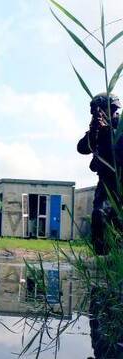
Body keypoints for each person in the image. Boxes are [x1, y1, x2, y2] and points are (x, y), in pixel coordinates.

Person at [77, 93, 122, 255]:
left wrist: (108, 131)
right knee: (99, 216)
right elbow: (82, 148)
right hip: (105, 183)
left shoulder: (119, 126)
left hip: (119, 181)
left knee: (118, 222)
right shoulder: (98, 128)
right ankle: (101, 257)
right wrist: (93, 131)